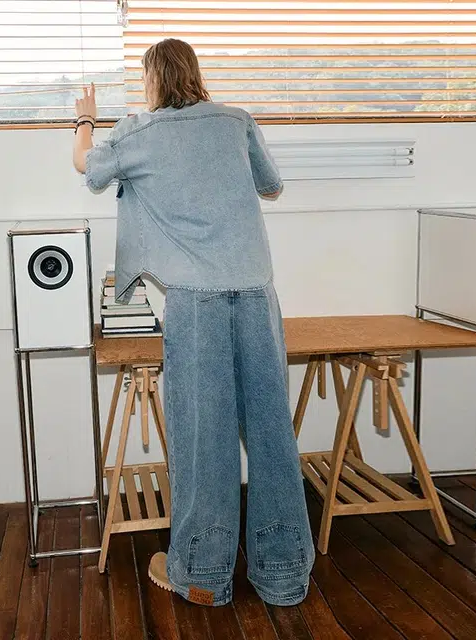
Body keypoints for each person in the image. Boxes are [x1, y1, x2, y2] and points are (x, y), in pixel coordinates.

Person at [73, 38, 314, 608]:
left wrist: (85, 121)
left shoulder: (139, 132)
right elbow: (271, 185)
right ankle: (283, 575)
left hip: (196, 304)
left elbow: (88, 168)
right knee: (271, 432)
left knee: (203, 436)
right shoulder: (236, 121)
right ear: (196, 73)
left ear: (152, 79)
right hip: (257, 296)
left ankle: (204, 573)